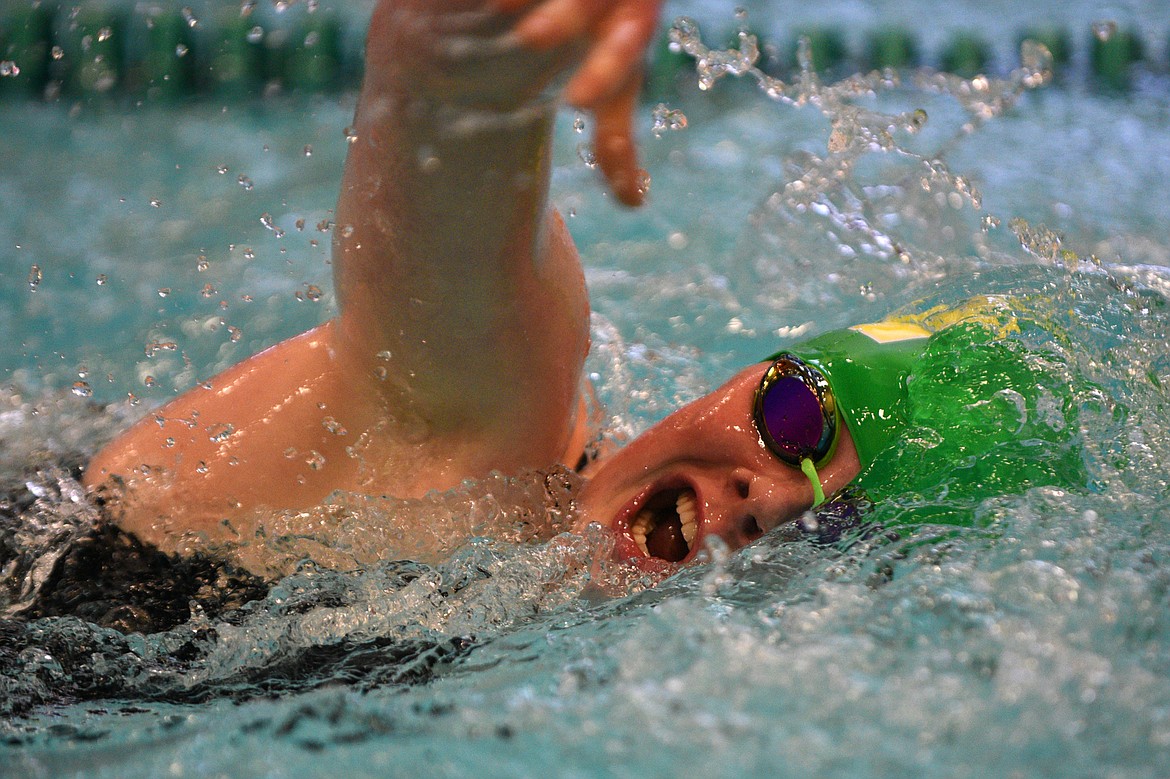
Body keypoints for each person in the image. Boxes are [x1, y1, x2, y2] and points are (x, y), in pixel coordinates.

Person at [82, 0, 1082, 579]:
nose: (761, 499)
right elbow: (441, 87)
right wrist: (495, 36)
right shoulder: (505, 395)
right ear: (749, 373)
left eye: (831, 517)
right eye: (795, 418)